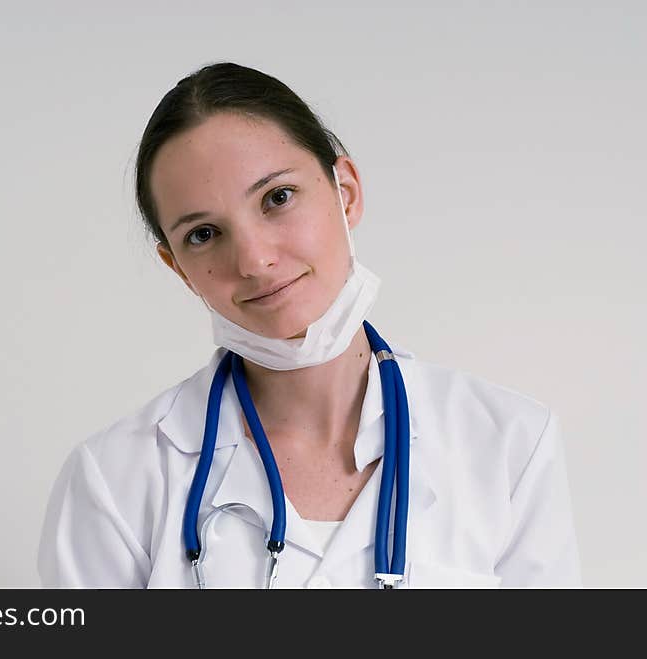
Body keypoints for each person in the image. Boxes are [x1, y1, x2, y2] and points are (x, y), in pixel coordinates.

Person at [37, 61, 582, 588]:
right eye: (204, 233)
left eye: (277, 198)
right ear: (178, 266)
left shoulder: (508, 443)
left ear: (345, 192)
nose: (253, 259)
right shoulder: (115, 481)